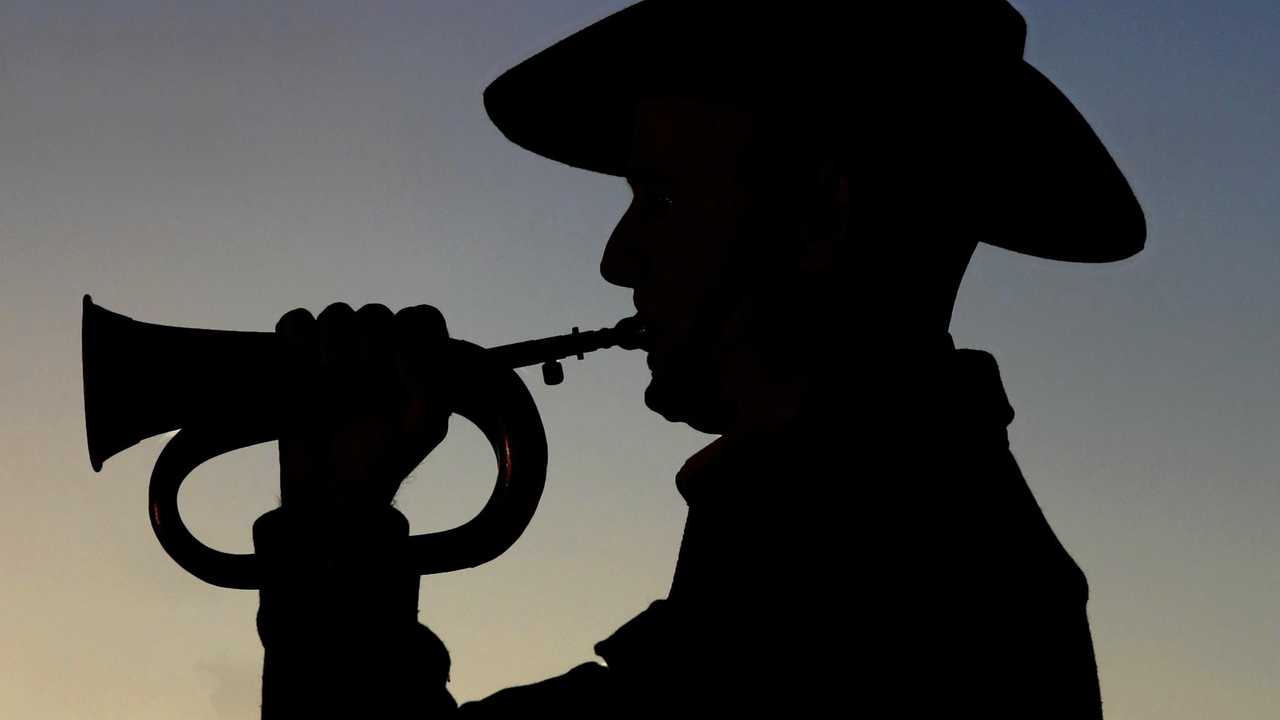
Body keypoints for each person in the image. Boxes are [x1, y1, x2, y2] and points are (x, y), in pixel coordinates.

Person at [253, 2, 1145, 717]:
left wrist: (338, 521)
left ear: (821, 216)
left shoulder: (872, 602)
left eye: (661, 195)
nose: (617, 258)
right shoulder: (901, 550)